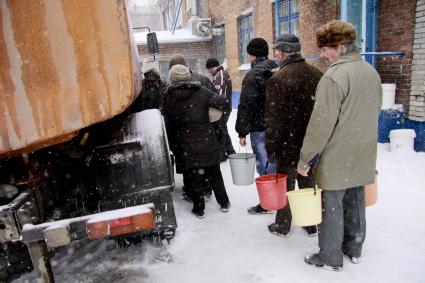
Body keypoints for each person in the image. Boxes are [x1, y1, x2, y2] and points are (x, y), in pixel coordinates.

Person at [297, 20, 382, 271]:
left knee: (331, 204)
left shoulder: (333, 77)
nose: (322, 55)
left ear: (341, 46)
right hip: (363, 150)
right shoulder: (370, 71)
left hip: (336, 154)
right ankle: (354, 248)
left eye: (326, 49)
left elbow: (320, 126)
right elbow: (374, 110)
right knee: (355, 198)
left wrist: (306, 159)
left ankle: (330, 256)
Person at [265, 34, 323, 238]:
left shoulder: (278, 79)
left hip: (288, 142)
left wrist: (271, 146)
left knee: (286, 183)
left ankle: (282, 225)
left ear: (282, 52)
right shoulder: (317, 74)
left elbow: (274, 118)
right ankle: (310, 223)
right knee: (307, 180)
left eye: (277, 51)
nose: (276, 54)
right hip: (311, 140)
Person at [162, 64, 231, 219]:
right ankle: (224, 203)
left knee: (193, 178)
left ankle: (199, 209)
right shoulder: (201, 91)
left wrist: (174, 144)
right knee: (215, 174)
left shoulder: (168, 97)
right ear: (188, 76)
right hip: (207, 141)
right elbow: (224, 102)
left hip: (185, 145)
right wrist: (210, 115)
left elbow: (168, 122)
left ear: (172, 79)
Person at [235, 38, 277, 215]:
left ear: (251, 54)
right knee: (277, 165)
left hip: (260, 129)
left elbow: (245, 105)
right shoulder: (278, 69)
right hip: (279, 127)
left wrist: (242, 132)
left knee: (265, 166)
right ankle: (280, 199)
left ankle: (269, 203)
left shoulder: (252, 76)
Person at [167, 54, 218, 202]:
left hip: (184, 134)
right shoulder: (203, 79)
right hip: (205, 132)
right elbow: (217, 103)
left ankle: (192, 190)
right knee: (205, 162)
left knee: (188, 164)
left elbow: (169, 114)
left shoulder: (172, 86)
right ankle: (206, 189)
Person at [206, 58, 236, 159]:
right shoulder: (219, 75)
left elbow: (219, 96)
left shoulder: (220, 76)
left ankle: (222, 154)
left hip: (222, 108)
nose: (209, 71)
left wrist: (213, 106)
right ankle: (230, 151)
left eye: (209, 68)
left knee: (220, 130)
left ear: (214, 66)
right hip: (224, 107)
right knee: (223, 129)